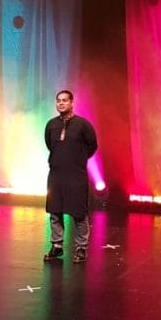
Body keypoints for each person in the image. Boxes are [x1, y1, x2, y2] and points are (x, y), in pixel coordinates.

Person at [43, 90, 98, 263]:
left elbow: (92, 146)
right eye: (58, 100)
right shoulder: (51, 124)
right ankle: (57, 246)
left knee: (78, 212)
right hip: (56, 174)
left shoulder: (83, 125)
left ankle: (81, 248)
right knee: (55, 211)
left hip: (76, 175)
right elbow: (50, 144)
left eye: (65, 100)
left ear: (72, 103)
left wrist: (77, 160)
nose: (61, 103)